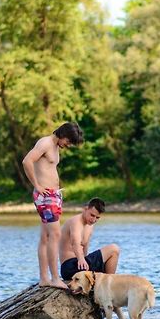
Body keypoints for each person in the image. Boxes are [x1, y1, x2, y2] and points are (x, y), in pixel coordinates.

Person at [22, 122, 83, 288]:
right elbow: (27, 161)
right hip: (46, 197)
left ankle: (44, 279)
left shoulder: (55, 146)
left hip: (53, 196)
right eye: (68, 141)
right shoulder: (45, 143)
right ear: (62, 134)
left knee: (45, 237)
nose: (68, 145)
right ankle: (55, 278)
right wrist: (37, 185)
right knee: (55, 235)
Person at [59, 197, 120, 281]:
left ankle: (107, 282)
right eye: (92, 215)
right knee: (114, 249)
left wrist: (84, 260)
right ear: (85, 209)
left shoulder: (90, 225)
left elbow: (85, 246)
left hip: (81, 265)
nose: (94, 220)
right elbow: (75, 243)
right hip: (70, 267)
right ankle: (109, 282)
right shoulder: (76, 221)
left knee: (109, 258)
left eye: (97, 217)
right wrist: (81, 259)